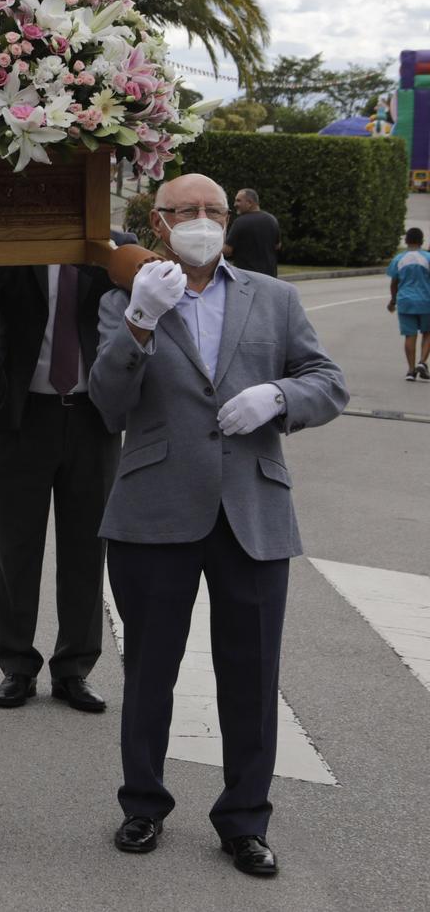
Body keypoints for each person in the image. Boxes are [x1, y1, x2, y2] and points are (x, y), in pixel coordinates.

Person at [92, 173, 346, 876]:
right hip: (154, 510)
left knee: (252, 673)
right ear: (159, 222)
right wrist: (140, 322)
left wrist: (278, 394)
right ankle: (142, 803)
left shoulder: (275, 296)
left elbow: (329, 380)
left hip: (252, 511)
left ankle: (244, 819)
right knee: (149, 671)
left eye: (212, 209)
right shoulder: (126, 301)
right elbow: (108, 403)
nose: (201, 220)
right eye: (185, 211)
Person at [0, 231, 138, 715]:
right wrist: (13, 242)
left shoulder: (115, 249)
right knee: (16, 547)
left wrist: (97, 249)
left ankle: (74, 668)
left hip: (93, 417)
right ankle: (17, 665)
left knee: (88, 547)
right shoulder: (14, 247)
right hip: (22, 418)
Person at [388, 227, 430, 381]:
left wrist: (393, 301)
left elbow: (394, 283)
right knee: (428, 332)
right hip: (426, 301)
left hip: (405, 302)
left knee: (409, 335)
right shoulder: (428, 257)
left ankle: (411, 371)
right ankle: (422, 362)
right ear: (421, 241)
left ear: (405, 241)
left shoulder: (399, 259)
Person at [223, 188, 280, 278]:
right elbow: (277, 246)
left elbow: (227, 251)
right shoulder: (272, 219)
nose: (235, 204)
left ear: (249, 203)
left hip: (248, 278)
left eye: (238, 201)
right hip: (270, 277)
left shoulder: (240, 222)